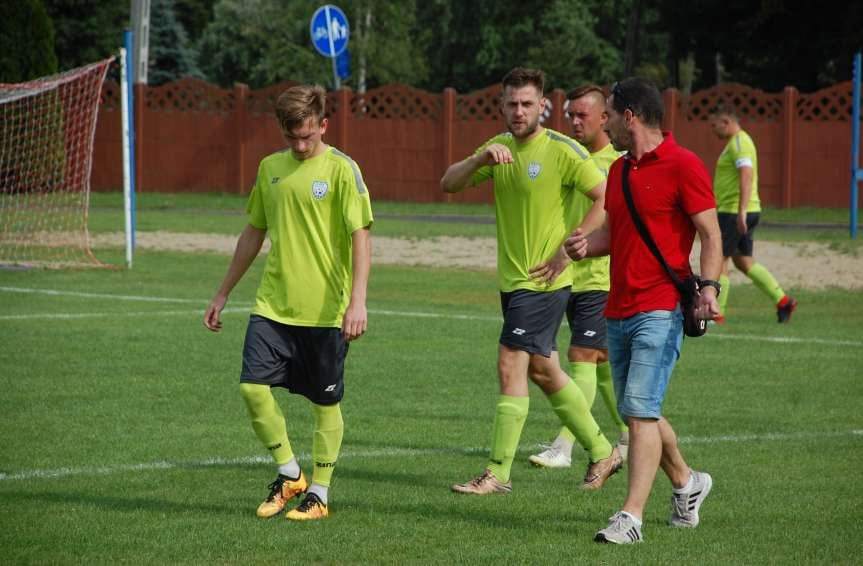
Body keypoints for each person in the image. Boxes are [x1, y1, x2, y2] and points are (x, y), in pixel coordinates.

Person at [441, 67, 623, 495]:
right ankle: (602, 451)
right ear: (501, 106)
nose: (519, 111)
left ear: (542, 106)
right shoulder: (497, 148)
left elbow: (604, 198)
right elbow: (449, 183)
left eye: (527, 104)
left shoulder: (561, 150)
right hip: (512, 282)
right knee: (544, 372)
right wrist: (478, 160)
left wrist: (568, 248)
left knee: (510, 363)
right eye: (512, 104)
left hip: (542, 281)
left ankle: (497, 473)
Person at [202, 84, 373, 521]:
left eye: (308, 137)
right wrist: (223, 292)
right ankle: (289, 473)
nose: (299, 146)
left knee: (324, 405)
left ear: (323, 126)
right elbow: (253, 232)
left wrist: (358, 302)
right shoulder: (269, 169)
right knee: (252, 388)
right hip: (273, 306)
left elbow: (361, 237)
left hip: (325, 311)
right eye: (291, 137)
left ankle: (319, 492)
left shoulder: (342, 169)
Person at [565, 78, 723, 544]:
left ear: (629, 116)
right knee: (644, 411)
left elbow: (712, 234)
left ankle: (630, 517)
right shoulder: (618, 171)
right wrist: (582, 247)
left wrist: (710, 288)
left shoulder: (684, 165)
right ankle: (687, 483)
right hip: (617, 309)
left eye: (609, 114)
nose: (604, 122)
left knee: (637, 410)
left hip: (660, 308)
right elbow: (618, 235)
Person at [529, 84, 629, 469]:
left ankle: (566, 445)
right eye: (569, 114)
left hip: (597, 278)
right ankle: (625, 431)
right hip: (563, 274)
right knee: (600, 361)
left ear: (604, 118)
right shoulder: (565, 154)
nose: (573, 121)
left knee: (581, 357)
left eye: (581, 115)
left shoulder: (613, 163)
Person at [709, 105, 797, 323]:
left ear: (726, 122)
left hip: (733, 211)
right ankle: (783, 300)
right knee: (744, 262)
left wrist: (740, 211)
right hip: (741, 210)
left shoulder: (739, 143)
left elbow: (746, 175)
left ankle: (716, 313)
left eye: (714, 125)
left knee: (719, 260)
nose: (713, 130)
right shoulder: (737, 142)